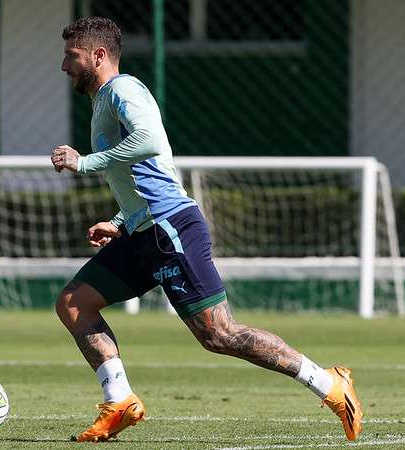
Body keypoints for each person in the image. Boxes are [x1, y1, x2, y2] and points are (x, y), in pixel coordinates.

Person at [51, 16, 363, 443]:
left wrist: (84, 162)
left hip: (170, 228)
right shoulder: (103, 100)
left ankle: (329, 384)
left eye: (71, 56)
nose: (64, 66)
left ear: (98, 55)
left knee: (219, 334)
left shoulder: (123, 90)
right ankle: (120, 400)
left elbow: (149, 142)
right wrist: (122, 220)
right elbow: (144, 172)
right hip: (143, 231)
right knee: (73, 302)